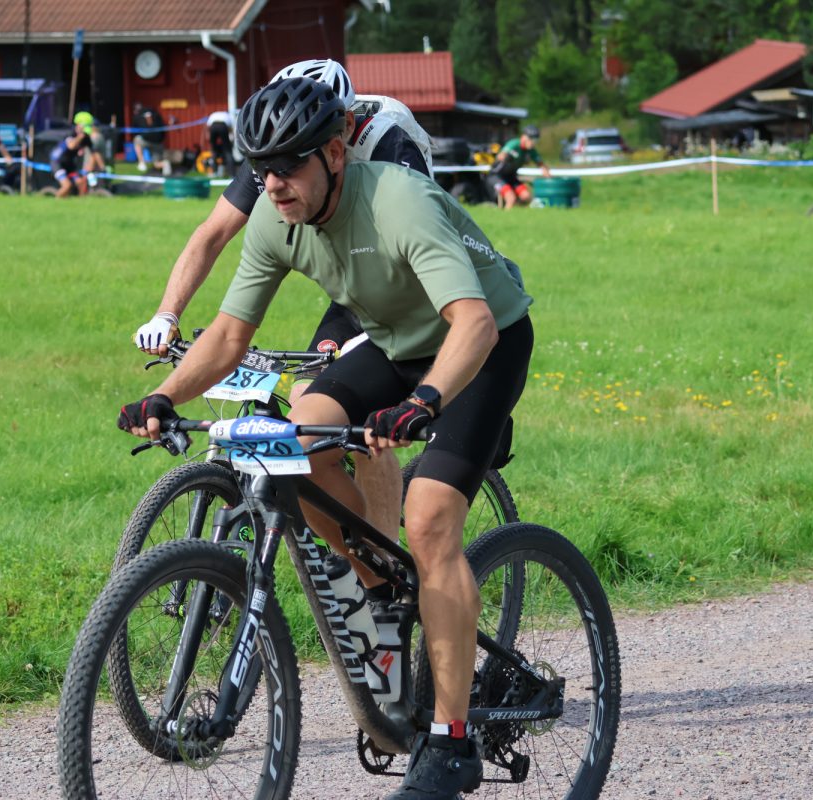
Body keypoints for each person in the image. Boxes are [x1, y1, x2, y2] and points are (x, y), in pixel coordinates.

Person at [120, 77, 534, 800]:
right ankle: (384, 590)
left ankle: (451, 743)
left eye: (289, 166)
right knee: (296, 439)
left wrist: (424, 402)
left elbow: (473, 322)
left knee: (429, 520)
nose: (273, 183)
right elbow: (229, 334)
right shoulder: (274, 216)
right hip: (396, 341)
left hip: (482, 343)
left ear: (335, 154)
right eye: (261, 168)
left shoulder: (398, 200)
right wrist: (164, 395)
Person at [133, 57, 435, 548]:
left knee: (362, 419)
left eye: (293, 155)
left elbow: (408, 260)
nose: (277, 174)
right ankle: (350, 547)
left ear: (341, 127)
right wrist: (167, 314)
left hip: (398, 285)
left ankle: (383, 558)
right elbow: (212, 234)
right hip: (348, 285)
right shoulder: (279, 150)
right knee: (306, 404)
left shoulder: (387, 141)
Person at [492, 124, 551, 209]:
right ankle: (506, 216)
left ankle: (516, 212)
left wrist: (546, 172)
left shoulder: (531, 151)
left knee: (526, 196)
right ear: (524, 137)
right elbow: (501, 155)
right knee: (511, 198)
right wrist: (506, 156)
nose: (533, 143)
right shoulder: (514, 144)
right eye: (531, 139)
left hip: (511, 177)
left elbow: (541, 164)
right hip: (497, 176)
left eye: (535, 141)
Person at [48, 120, 106, 197]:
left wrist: (94, 167)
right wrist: (80, 136)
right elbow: (71, 146)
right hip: (57, 163)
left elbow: (94, 153)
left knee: (81, 182)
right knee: (67, 186)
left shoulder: (86, 139)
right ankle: (55, 201)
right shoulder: (71, 134)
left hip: (69, 164)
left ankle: (80, 201)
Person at [130, 103, 166, 171]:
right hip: (158, 142)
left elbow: (135, 132)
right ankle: (165, 164)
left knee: (137, 140)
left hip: (151, 141)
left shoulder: (137, 117)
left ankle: (141, 163)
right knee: (156, 164)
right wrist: (160, 139)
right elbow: (163, 130)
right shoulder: (156, 114)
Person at [206, 109, 233, 177]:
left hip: (213, 127)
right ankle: (231, 173)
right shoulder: (227, 115)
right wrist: (230, 141)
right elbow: (230, 129)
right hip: (223, 126)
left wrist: (208, 135)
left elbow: (208, 127)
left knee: (214, 150)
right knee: (227, 151)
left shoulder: (213, 114)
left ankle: (213, 172)